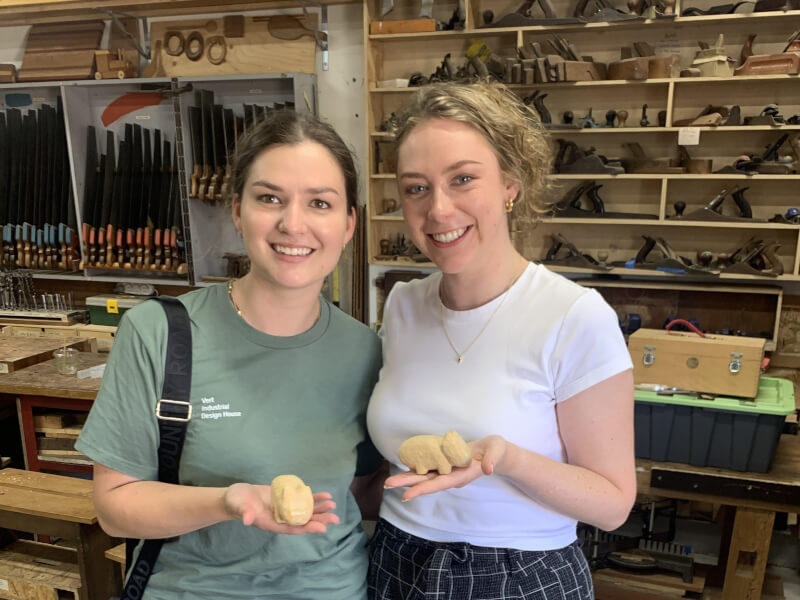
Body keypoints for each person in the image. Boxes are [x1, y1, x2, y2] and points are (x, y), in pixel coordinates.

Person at [76, 110, 384, 600]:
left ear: (348, 224)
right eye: (269, 198)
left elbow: (361, 492)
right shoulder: (159, 333)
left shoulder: (364, 349)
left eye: (320, 203)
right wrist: (226, 501)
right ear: (237, 210)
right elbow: (115, 508)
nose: (293, 223)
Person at [366, 81, 636, 599]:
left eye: (463, 179)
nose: (438, 210)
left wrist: (506, 459)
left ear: (511, 184)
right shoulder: (402, 305)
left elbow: (612, 505)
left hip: (520, 572)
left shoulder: (574, 317)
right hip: (397, 559)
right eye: (416, 188)